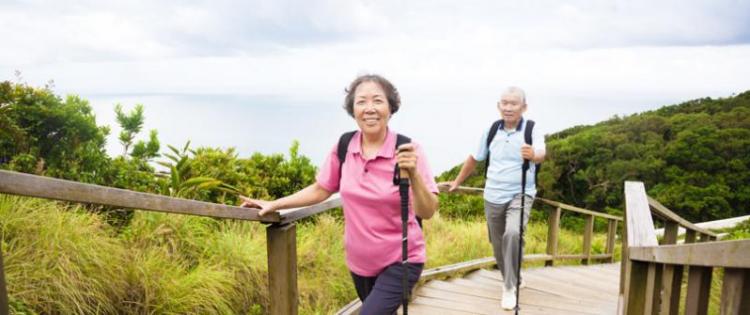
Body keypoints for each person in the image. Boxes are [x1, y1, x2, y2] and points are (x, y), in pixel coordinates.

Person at [240, 74, 439, 314]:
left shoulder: (408, 149)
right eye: (361, 102)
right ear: (352, 109)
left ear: (390, 107)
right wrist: (274, 204)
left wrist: (414, 174)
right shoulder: (345, 146)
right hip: (360, 263)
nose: (369, 109)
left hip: (401, 260)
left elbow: (427, 211)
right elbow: (321, 189)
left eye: (377, 101)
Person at [447, 86, 545, 310]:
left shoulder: (531, 129)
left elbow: (541, 153)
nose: (508, 107)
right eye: (505, 103)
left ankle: (509, 287)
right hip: (492, 194)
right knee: (498, 243)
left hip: (521, 192)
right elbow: (474, 158)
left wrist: (533, 155)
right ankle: (515, 274)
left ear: (524, 107)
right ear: (499, 106)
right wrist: (456, 182)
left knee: (512, 233)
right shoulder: (491, 130)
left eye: (514, 103)